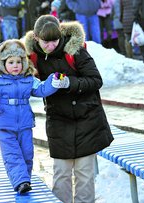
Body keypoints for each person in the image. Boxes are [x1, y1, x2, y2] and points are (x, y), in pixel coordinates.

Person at [25, 14, 114, 203]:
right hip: (58, 120)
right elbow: (20, 79)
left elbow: (96, 80)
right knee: (61, 173)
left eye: (55, 40)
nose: (51, 45)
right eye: (46, 42)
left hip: (87, 118)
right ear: (36, 38)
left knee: (84, 174)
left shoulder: (75, 51)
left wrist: (69, 83)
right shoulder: (32, 58)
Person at [0, 39, 68, 195]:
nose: (15, 65)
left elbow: (41, 89)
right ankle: (20, 182)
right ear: (2, 63)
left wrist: (53, 81)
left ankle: (25, 181)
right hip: (4, 124)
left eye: (18, 62)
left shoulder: (28, 79)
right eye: (11, 62)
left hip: (25, 124)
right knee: (12, 154)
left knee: (27, 153)